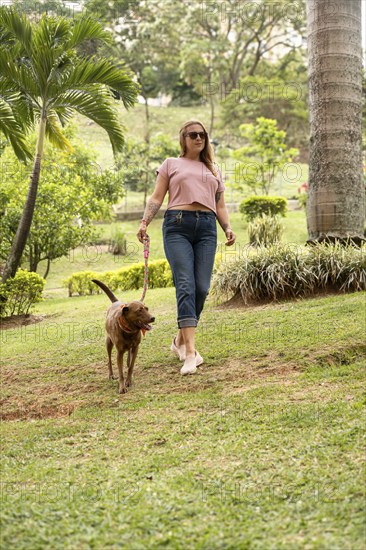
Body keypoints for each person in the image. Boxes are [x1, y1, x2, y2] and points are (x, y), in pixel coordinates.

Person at [137, 120, 236, 375]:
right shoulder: (171, 164)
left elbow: (220, 205)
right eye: (193, 134)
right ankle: (190, 354)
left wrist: (226, 227)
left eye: (202, 134)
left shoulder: (213, 169)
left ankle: (179, 341)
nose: (199, 138)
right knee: (185, 285)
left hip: (206, 228)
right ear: (184, 138)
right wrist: (145, 222)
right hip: (177, 226)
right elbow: (157, 197)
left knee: (201, 288)